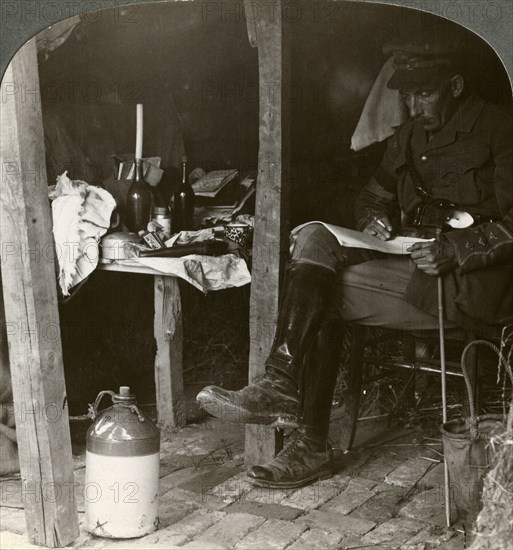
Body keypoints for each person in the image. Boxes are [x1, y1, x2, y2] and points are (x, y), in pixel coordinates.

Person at [196, 34, 513, 489]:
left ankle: (308, 438)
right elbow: (372, 195)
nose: (413, 105)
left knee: (322, 289)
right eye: (406, 95)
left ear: (456, 85)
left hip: (471, 283)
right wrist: (373, 217)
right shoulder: (406, 138)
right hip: (411, 264)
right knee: (315, 238)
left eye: (424, 93)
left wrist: (455, 249)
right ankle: (281, 382)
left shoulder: (499, 131)